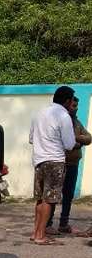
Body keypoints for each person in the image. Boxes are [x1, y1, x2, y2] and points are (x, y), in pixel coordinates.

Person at [29, 85, 76, 245]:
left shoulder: (39, 113)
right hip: (55, 161)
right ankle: (41, 235)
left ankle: (35, 232)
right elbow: (69, 144)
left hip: (39, 160)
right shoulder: (64, 116)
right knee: (49, 200)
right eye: (72, 102)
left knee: (40, 199)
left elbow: (31, 138)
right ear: (68, 101)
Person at [46, 95, 91, 234]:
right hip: (60, 163)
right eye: (73, 106)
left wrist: (75, 138)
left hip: (73, 164)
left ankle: (64, 224)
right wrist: (76, 142)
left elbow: (88, 138)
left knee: (68, 194)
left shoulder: (77, 122)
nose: (75, 109)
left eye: (77, 106)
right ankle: (48, 224)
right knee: (54, 195)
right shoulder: (61, 120)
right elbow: (65, 143)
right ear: (67, 105)